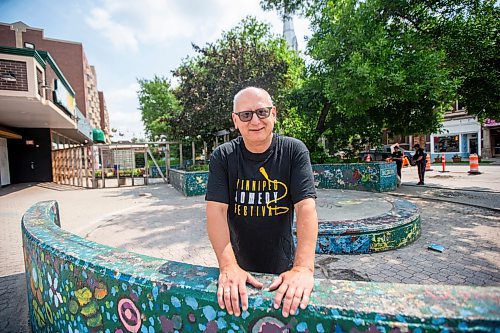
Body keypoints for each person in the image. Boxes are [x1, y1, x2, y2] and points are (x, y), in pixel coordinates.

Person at [205, 87, 318, 319]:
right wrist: (228, 267)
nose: (255, 120)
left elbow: (306, 208)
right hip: (239, 268)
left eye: (262, 112)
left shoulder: (293, 151)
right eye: (246, 115)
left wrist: (303, 269)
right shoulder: (223, 157)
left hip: (284, 267)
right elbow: (216, 211)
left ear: (273, 114)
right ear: (235, 121)